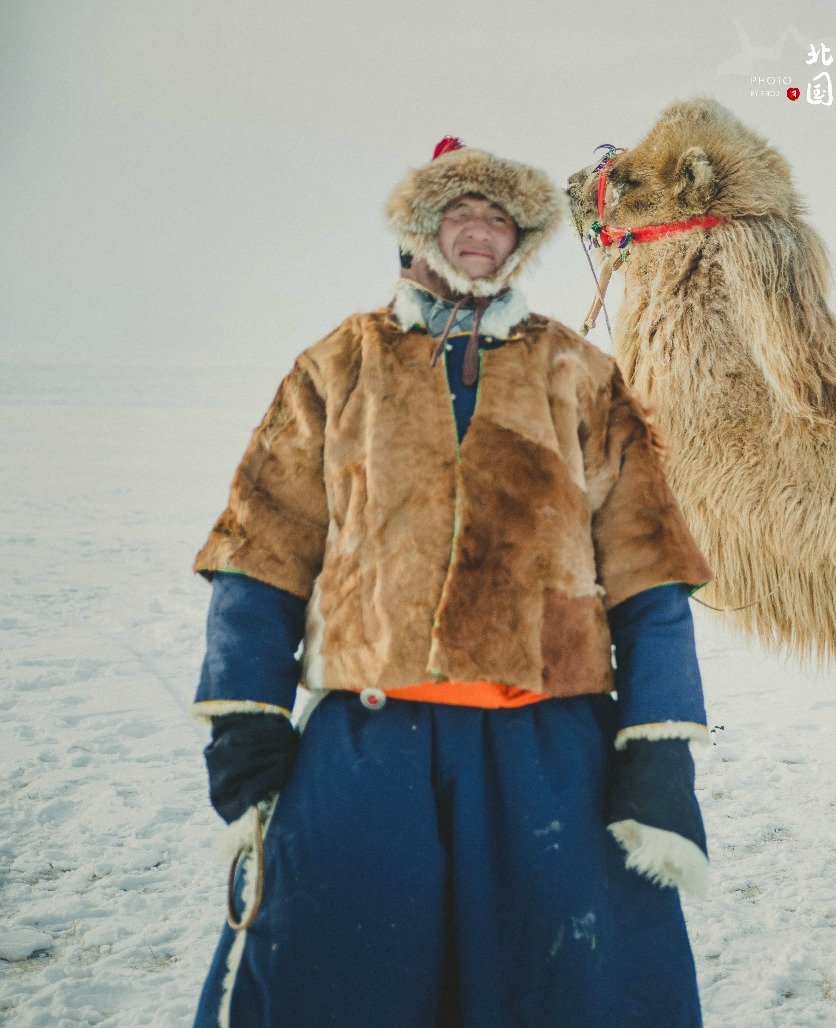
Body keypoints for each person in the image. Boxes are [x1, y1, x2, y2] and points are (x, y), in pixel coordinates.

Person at [189, 137, 714, 1027]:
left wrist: (655, 746)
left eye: (499, 216)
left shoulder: (580, 374)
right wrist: (246, 719)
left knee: (568, 987)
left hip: (545, 750)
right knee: (333, 974)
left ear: (522, 242)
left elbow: (648, 570)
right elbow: (260, 550)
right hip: (369, 742)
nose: (480, 229)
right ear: (418, 233)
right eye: (459, 212)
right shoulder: (335, 369)